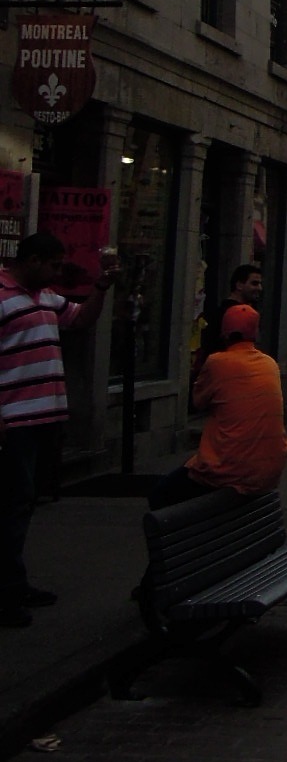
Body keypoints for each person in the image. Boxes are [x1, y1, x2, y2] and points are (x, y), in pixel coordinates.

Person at [0, 231, 116, 628]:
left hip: (44, 417)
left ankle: (15, 583)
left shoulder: (46, 297)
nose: (56, 273)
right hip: (14, 420)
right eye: (52, 265)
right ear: (32, 260)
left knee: (24, 503)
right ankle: (6, 593)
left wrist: (101, 289)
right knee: (11, 505)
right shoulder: (3, 295)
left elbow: (80, 319)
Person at [149, 305, 287, 508]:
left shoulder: (217, 362)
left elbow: (198, 402)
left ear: (224, 333)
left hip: (228, 469)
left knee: (160, 494)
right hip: (269, 470)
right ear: (255, 333)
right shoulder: (270, 364)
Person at [192, 261, 263, 381]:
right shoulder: (228, 313)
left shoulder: (223, 311)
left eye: (260, 284)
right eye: (254, 283)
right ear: (239, 285)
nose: (259, 288)